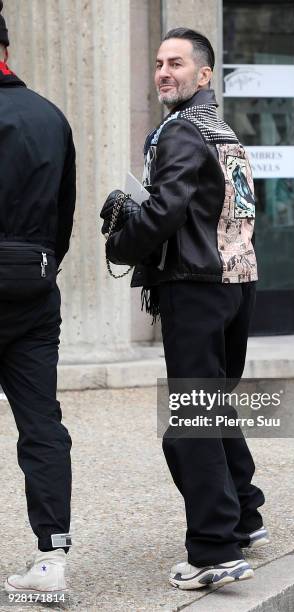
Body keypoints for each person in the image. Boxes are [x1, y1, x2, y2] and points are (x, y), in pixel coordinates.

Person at [102, 28, 268, 589]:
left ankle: (214, 550)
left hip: (197, 287)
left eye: (176, 63)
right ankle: (244, 515)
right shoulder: (224, 131)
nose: (163, 72)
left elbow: (167, 210)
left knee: (190, 421)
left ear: (204, 74)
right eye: (158, 62)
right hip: (237, 283)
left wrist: (121, 241)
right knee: (216, 405)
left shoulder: (179, 131)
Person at [0, 2, 76, 595]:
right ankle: (52, 556)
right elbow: (65, 215)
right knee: (41, 423)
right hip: (34, 289)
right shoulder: (50, 116)